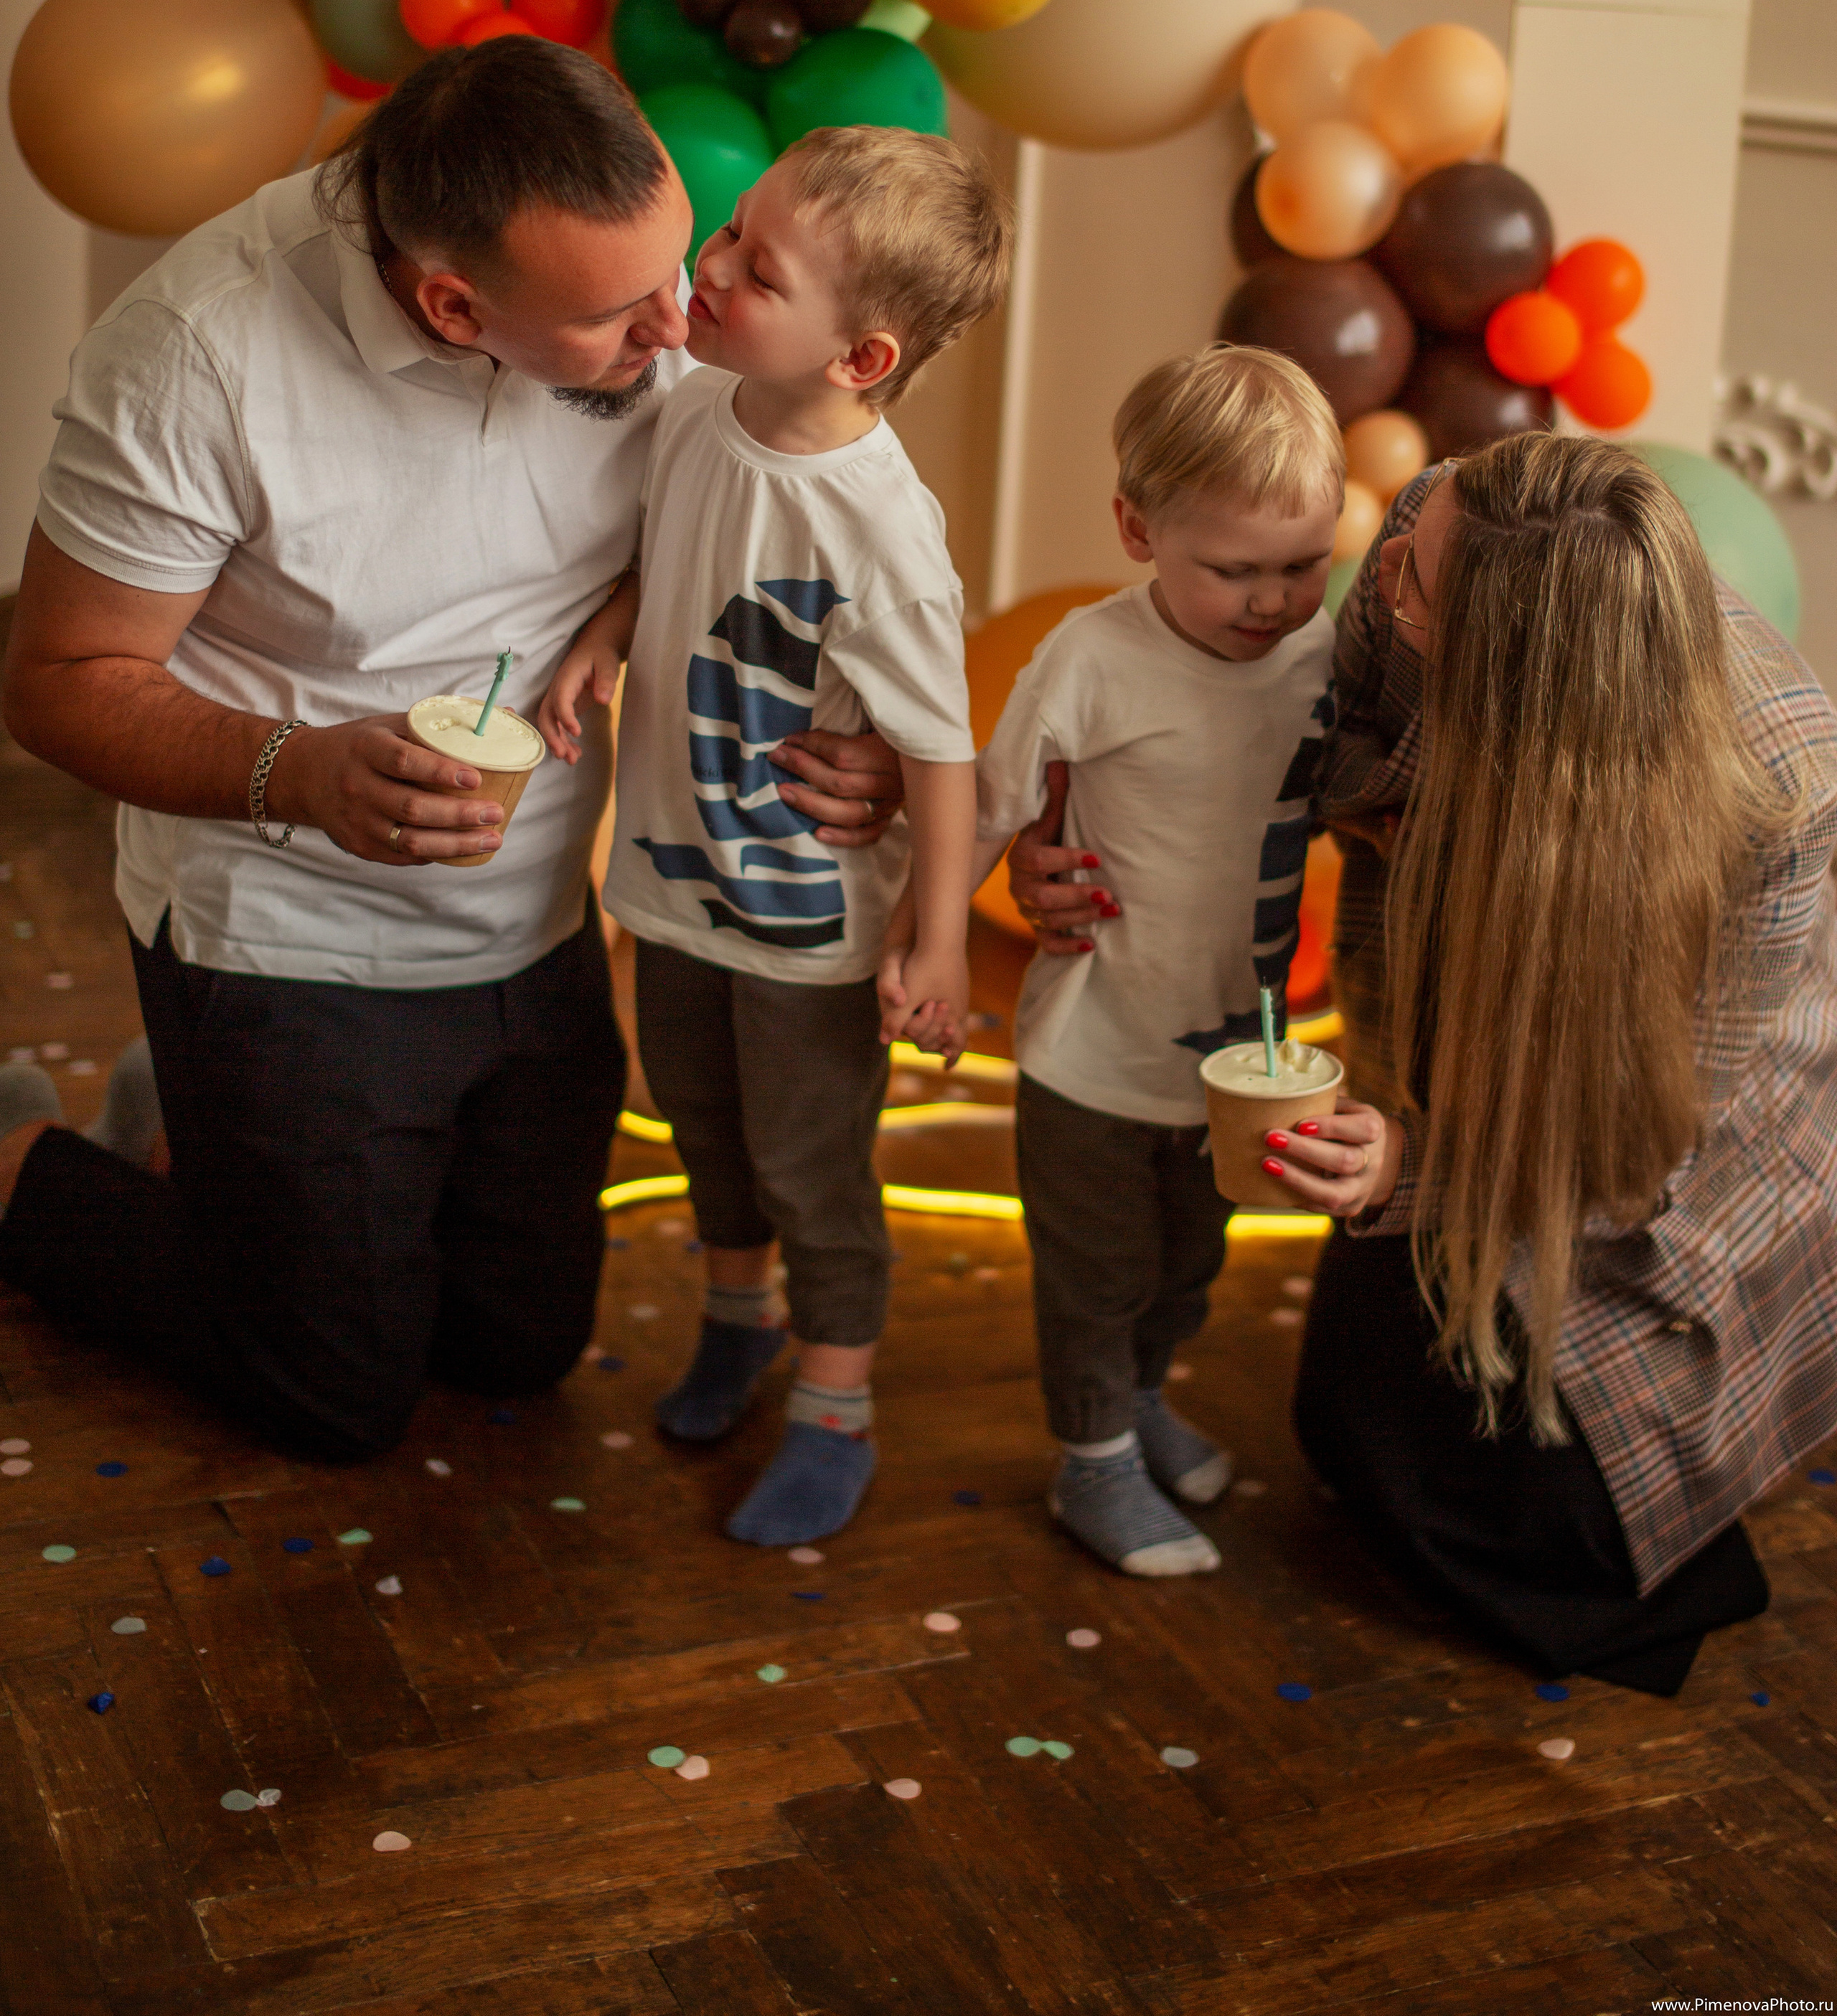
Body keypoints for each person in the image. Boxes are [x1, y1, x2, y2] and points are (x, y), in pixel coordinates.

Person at [0, 39, 901, 1463]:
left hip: (535, 922)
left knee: (515, 1351)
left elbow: (776, 506)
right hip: (286, 936)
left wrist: (862, 748)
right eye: (621, 316)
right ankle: (24, 1160)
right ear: (453, 306)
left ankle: (191, 1140)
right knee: (331, 1396)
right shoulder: (193, 354)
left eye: (681, 268)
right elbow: (55, 684)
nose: (678, 328)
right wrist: (298, 771)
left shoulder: (645, 300)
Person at [1013, 430, 1837, 1695]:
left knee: (1535, 1511)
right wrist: (1046, 834)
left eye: (1410, 582)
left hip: (1658, 1127)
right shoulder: (1442, 523)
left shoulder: (1782, 801)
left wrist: (1423, 1167)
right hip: (1463, 992)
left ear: (1510, 674)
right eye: (1407, 539)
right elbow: (1275, 753)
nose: (1376, 568)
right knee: (1358, 1420)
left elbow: (1646, 1160)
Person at [540, 126, 1010, 1545]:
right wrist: (603, 635)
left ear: (858, 358)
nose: (713, 263)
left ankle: (833, 1405)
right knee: (704, 1129)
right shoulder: (698, 404)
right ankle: (736, 1322)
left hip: (807, 927)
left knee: (812, 1168)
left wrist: (935, 940)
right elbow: (663, 558)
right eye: (730, 230)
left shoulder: (883, 531)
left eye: (757, 264)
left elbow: (939, 752)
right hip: (673, 893)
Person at [962, 346, 1340, 1578]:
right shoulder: (1092, 657)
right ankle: (1093, 1460)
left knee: (1193, 1264)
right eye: (1234, 570)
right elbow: (984, 807)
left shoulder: (1326, 655)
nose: (1274, 600)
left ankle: (1141, 1404)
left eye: (1304, 564)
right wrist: (917, 949)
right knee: (1097, 1276)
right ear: (1138, 529)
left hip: (1244, 1060)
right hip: (1096, 1049)